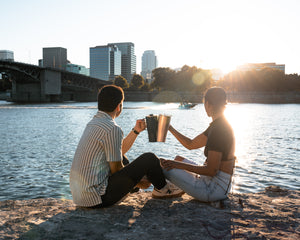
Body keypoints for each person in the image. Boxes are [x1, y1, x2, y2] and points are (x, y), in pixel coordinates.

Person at [69, 85, 183, 208]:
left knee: (122, 158)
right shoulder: (113, 128)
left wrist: (136, 131)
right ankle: (163, 189)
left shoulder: (93, 124)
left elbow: (118, 150)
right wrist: (138, 183)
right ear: (119, 106)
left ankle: (139, 188)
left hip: (81, 197)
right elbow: (116, 170)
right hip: (98, 199)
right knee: (149, 159)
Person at [160, 87, 236, 202]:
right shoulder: (218, 125)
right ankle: (176, 187)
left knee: (163, 167)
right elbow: (191, 144)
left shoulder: (218, 130)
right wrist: (170, 128)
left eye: (204, 103)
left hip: (213, 190)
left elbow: (211, 170)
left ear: (208, 104)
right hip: (212, 181)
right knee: (178, 159)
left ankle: (167, 190)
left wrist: (177, 165)